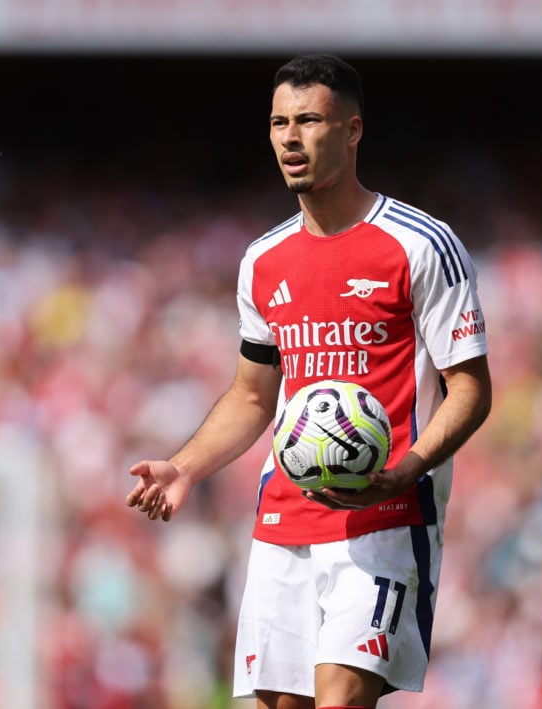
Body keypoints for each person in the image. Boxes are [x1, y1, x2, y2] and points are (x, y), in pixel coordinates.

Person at [126, 54, 491, 709]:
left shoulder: (420, 245)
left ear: (352, 131)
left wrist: (411, 466)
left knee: (342, 701)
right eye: (278, 122)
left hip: (385, 516)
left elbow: (471, 386)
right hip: (284, 524)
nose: (290, 137)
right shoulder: (263, 260)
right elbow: (250, 395)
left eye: (310, 120)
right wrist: (185, 466)